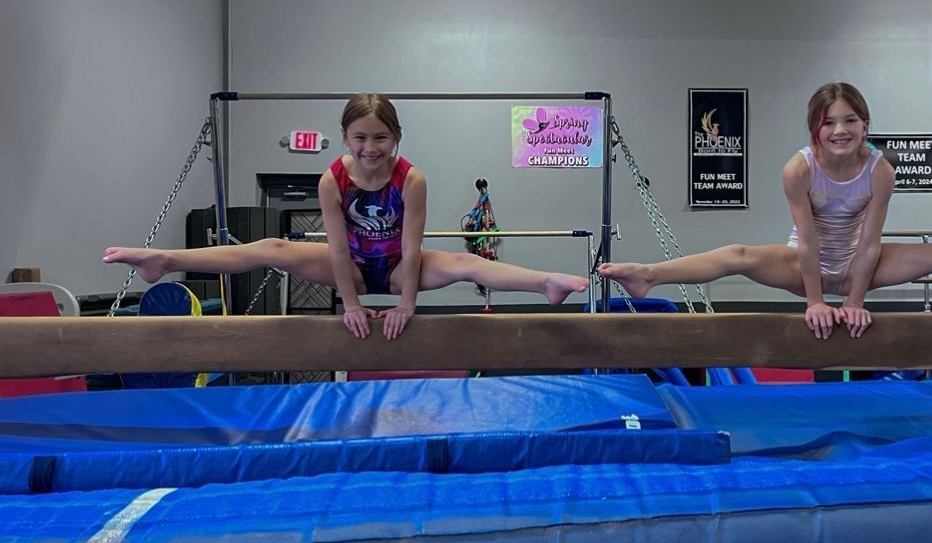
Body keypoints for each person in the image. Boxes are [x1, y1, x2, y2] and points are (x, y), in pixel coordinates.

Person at [599, 82, 932, 340]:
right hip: (804, 264)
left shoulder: (879, 169)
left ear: (865, 124)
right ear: (815, 128)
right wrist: (816, 301)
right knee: (740, 254)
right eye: (830, 122)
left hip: (866, 262)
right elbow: (808, 243)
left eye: (851, 121)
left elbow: (871, 242)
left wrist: (855, 299)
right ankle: (649, 274)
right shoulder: (799, 170)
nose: (840, 130)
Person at [105, 93, 588, 339]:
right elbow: (336, 248)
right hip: (350, 264)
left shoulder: (411, 179)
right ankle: (164, 260)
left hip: (400, 266)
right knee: (271, 248)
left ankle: (544, 282)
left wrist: (405, 307)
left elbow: (413, 247)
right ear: (345, 136)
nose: (371, 147)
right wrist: (353, 304)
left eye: (381, 138)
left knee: (465, 263)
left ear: (396, 137)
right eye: (360, 138)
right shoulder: (333, 179)